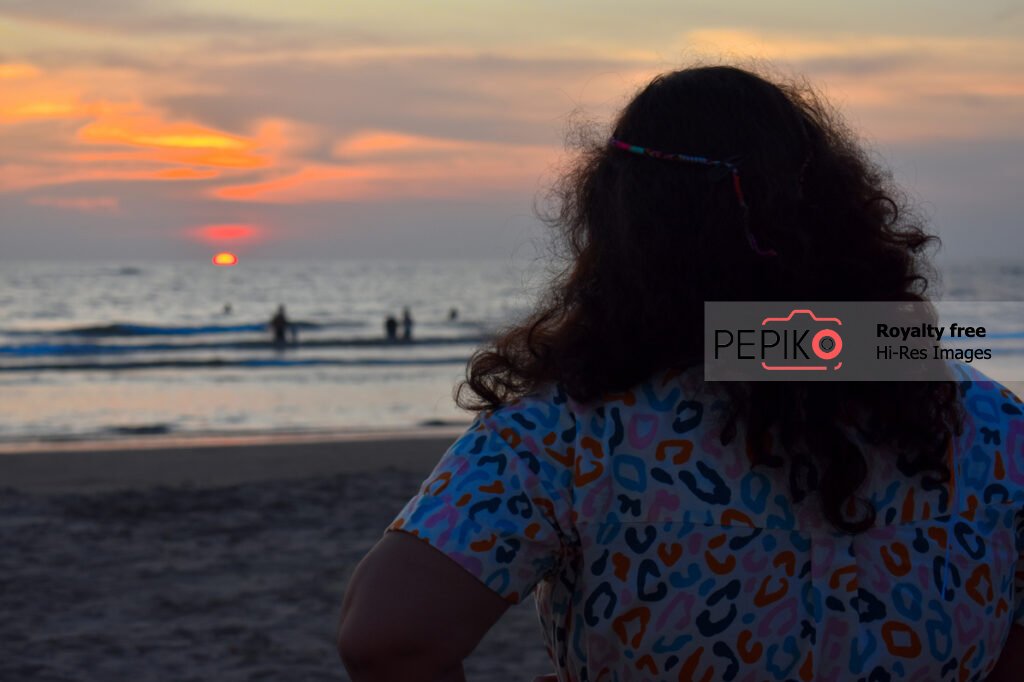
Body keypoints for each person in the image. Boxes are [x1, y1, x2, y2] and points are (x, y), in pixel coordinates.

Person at [337, 65, 1024, 681]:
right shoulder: (995, 426)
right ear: (840, 209)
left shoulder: (571, 430)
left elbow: (387, 640)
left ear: (621, 229)